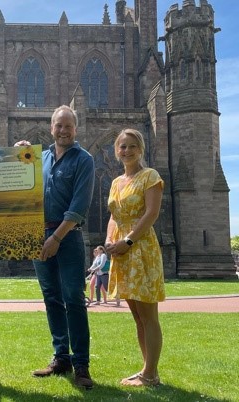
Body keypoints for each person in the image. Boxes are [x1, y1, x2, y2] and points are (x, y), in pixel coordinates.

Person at [16, 105, 95, 389]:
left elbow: (78, 207)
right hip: (39, 234)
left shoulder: (84, 160)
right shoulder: (42, 158)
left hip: (67, 237)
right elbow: (19, 184)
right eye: (58, 125)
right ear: (51, 127)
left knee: (73, 297)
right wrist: (17, 154)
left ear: (76, 128)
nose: (63, 130)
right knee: (51, 298)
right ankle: (61, 358)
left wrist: (56, 238)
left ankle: (81, 364)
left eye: (68, 126)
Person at [104, 128, 165, 387]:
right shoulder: (117, 182)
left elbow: (151, 213)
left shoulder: (150, 176)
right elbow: (114, 215)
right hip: (121, 250)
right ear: (116, 151)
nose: (126, 151)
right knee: (137, 315)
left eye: (131, 146)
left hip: (140, 248)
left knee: (148, 314)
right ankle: (146, 370)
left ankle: (151, 374)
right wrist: (110, 240)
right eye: (122, 146)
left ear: (141, 148)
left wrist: (128, 240)